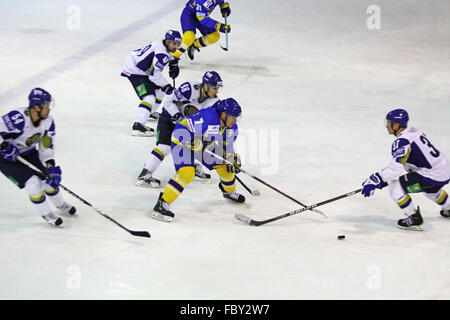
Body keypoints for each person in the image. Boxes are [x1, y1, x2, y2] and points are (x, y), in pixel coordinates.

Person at [152, 98, 244, 222]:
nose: (235, 120)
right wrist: (190, 141)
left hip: (202, 143)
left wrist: (232, 158)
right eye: (233, 117)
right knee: (187, 173)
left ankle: (229, 192)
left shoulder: (232, 127)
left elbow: (228, 147)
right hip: (181, 140)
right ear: (223, 114)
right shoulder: (208, 118)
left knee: (225, 166)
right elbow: (180, 129)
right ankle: (162, 204)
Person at [361, 109, 450, 230]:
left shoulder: (402, 141)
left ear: (396, 125)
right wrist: (384, 178)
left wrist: (376, 179)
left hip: (432, 175)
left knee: (395, 186)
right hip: (444, 170)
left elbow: (397, 168)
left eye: (389, 123)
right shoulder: (414, 131)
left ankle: (414, 218)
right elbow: (413, 159)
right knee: (430, 191)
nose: (387, 126)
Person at [0, 88, 76, 226]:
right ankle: (47, 214)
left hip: (28, 153)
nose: (49, 109)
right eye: (46, 106)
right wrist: (3, 147)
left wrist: (50, 167)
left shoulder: (48, 122)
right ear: (36, 108)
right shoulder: (17, 119)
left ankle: (60, 204)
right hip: (5, 159)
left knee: (49, 179)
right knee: (33, 184)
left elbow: (46, 146)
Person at [136, 71, 223, 188]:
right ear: (206, 86)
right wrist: (177, 115)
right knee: (164, 147)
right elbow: (167, 100)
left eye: (217, 88)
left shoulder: (214, 102)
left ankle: (194, 168)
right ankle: (145, 174)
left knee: (198, 143)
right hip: (169, 119)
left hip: (188, 126)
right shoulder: (190, 89)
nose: (216, 91)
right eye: (214, 88)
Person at [121, 30, 181, 136]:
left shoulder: (161, 43)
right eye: (174, 44)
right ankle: (138, 125)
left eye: (178, 44)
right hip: (134, 71)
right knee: (149, 97)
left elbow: (162, 53)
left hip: (139, 68)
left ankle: (149, 112)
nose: (176, 47)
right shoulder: (162, 54)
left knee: (160, 91)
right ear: (167, 41)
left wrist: (173, 61)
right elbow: (154, 75)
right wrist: (167, 86)